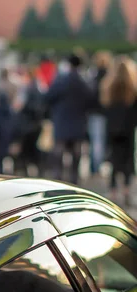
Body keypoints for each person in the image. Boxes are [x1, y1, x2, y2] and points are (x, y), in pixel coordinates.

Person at [45, 53, 94, 184]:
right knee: (76, 154)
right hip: (78, 124)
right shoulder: (84, 83)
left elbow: (48, 97)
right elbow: (91, 101)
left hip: (62, 122)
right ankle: (74, 180)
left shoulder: (61, 81)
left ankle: (58, 179)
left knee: (59, 151)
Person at [99, 56, 137, 206]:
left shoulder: (108, 86)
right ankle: (127, 189)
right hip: (128, 127)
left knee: (114, 158)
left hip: (113, 127)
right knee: (128, 157)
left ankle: (113, 189)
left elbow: (104, 106)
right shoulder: (133, 86)